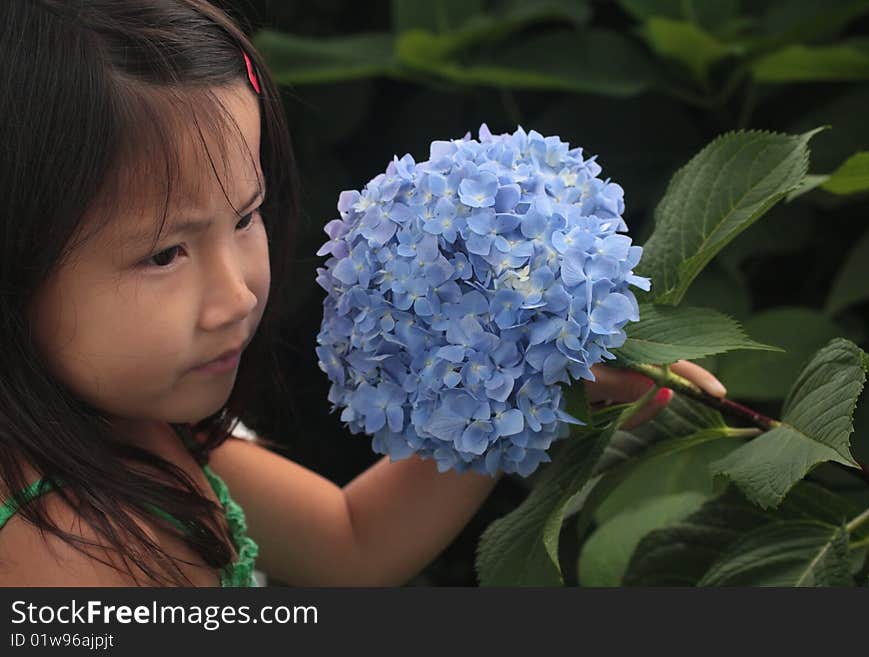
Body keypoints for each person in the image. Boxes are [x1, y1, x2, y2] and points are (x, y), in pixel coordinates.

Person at [0, 0, 727, 587]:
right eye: (165, 253)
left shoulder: (130, 434)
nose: (236, 296)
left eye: (246, 215)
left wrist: (521, 389)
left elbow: (351, 542)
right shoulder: (62, 556)